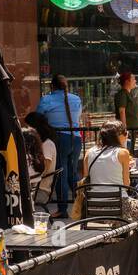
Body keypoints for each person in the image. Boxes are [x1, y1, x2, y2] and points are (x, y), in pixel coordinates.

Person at [35, 75, 84, 211]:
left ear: (52, 86)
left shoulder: (46, 100)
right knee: (73, 173)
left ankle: (62, 210)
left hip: (59, 139)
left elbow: (37, 118)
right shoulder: (76, 99)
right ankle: (82, 206)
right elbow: (77, 115)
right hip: (76, 138)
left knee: (61, 174)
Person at [24, 112, 59, 209]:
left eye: (27, 127)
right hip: (34, 187)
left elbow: (44, 171)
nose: (26, 130)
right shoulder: (38, 144)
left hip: (40, 191)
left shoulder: (47, 144)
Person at [81, 121, 131, 188]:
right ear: (118, 136)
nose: (126, 136)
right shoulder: (123, 153)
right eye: (125, 133)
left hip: (94, 194)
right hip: (117, 194)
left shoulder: (88, 152)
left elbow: (85, 181)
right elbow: (126, 185)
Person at [113, 71, 138, 151]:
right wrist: (124, 130)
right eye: (133, 79)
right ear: (127, 81)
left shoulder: (130, 94)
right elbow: (122, 112)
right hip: (127, 131)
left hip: (132, 130)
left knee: (130, 151)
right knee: (126, 151)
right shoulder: (122, 94)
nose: (135, 81)